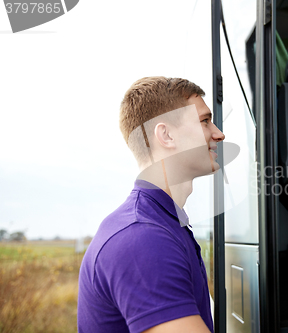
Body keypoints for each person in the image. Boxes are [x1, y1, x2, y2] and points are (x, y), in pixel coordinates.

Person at [77, 77, 224, 333]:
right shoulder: (144, 238)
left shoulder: (162, 224)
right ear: (166, 135)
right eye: (204, 121)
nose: (218, 134)